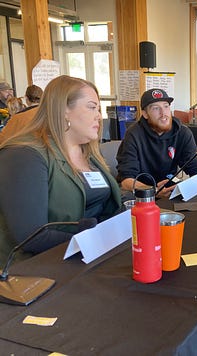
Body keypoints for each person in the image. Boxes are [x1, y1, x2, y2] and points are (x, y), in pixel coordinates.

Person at [0, 75, 122, 262]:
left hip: (87, 255)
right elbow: (31, 237)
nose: (99, 115)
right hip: (38, 269)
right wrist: (98, 240)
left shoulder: (88, 152)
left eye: (98, 108)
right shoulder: (24, 155)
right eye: (91, 107)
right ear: (64, 109)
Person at [116, 88, 197, 198]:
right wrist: (154, 191)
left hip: (169, 191)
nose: (163, 113)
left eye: (166, 106)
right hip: (141, 195)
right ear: (145, 114)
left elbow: (194, 168)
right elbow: (126, 180)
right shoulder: (133, 135)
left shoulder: (182, 132)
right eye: (156, 108)